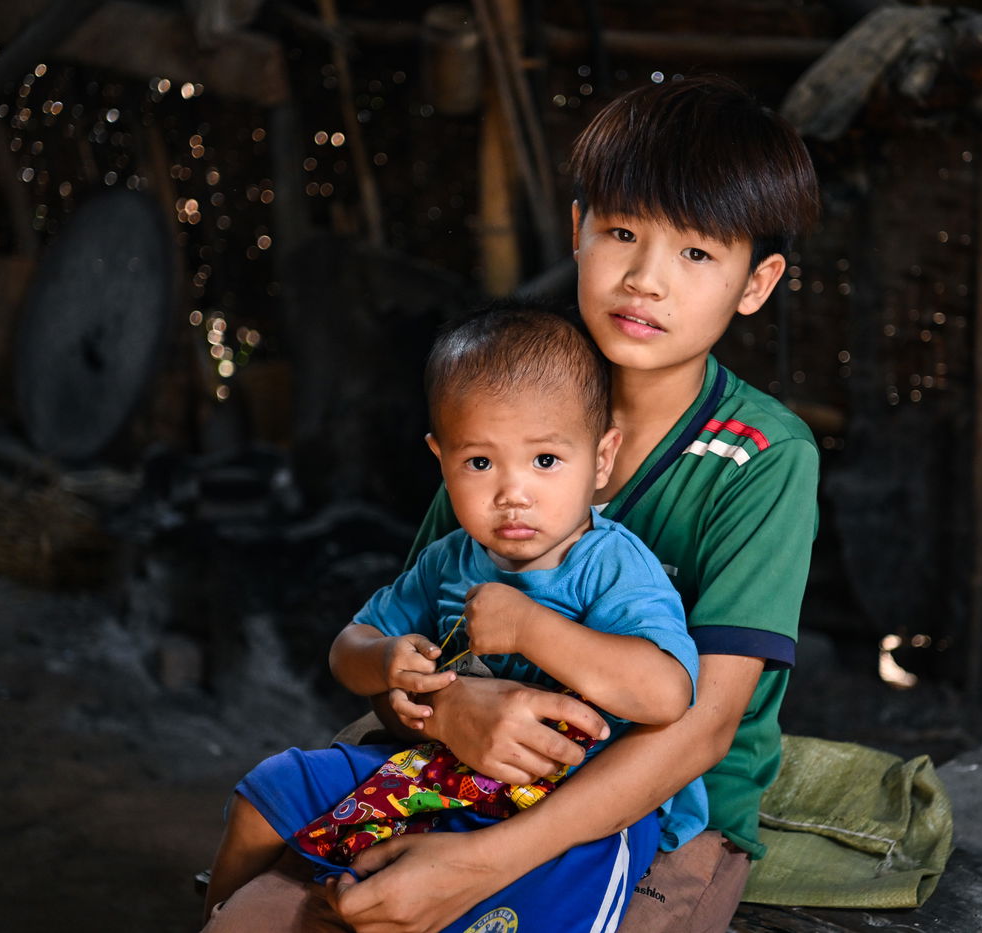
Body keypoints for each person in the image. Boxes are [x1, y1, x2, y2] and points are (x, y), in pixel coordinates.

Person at [205, 74, 820, 933]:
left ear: (756, 282)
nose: (646, 278)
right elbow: (415, 631)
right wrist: (446, 707)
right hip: (456, 748)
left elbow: (702, 728)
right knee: (254, 917)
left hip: (654, 806)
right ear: (577, 232)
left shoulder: (762, 457)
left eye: (696, 253)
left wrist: (477, 862)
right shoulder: (514, 391)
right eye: (621, 232)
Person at [203, 307, 701, 932]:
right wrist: (384, 662)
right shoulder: (450, 560)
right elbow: (347, 648)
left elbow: (667, 694)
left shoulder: (612, 566)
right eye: (480, 463)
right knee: (266, 793)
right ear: (442, 460)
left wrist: (529, 628)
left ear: (601, 459)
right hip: (438, 769)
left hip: (573, 807)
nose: (512, 492)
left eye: (545, 460)